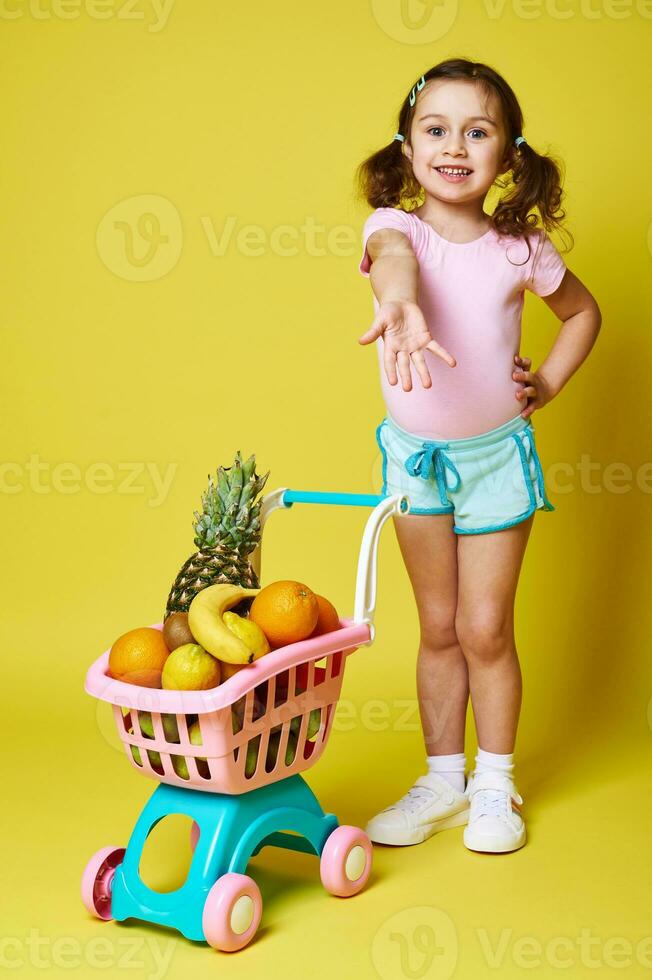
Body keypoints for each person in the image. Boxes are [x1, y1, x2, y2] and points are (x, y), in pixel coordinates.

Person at [356, 57, 601, 853]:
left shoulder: (520, 251)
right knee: (435, 625)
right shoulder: (395, 228)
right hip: (415, 461)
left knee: (484, 628)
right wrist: (400, 305)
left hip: (496, 461)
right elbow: (393, 262)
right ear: (407, 144)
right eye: (436, 128)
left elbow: (582, 313)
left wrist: (551, 383)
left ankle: (494, 782)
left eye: (478, 130)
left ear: (508, 154)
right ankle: (442, 780)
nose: (454, 144)